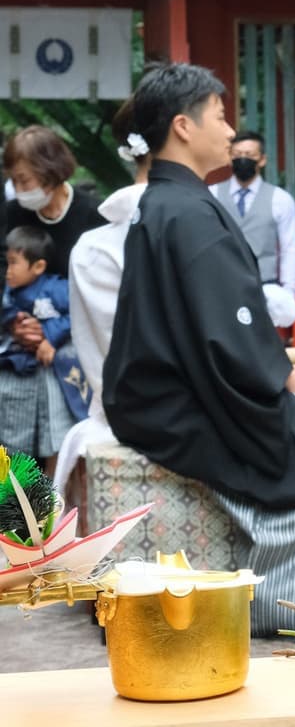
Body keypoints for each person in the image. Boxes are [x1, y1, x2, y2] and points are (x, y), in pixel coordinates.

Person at [104, 63, 295, 632]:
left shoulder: (170, 203)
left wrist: (273, 365)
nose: (229, 133)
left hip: (168, 391)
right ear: (183, 127)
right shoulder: (187, 211)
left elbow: (217, 319)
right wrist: (282, 374)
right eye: (219, 117)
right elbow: (227, 329)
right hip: (191, 401)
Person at [54, 103, 151, 495]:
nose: (229, 131)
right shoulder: (99, 245)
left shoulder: (93, 229)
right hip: (135, 399)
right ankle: (23, 523)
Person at [0, 226, 86, 455]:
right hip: (14, 373)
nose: (7, 271)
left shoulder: (56, 289)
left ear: (38, 266)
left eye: (13, 262)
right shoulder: (7, 293)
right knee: (12, 442)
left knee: (56, 438)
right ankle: (14, 490)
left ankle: (52, 488)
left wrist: (48, 335)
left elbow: (78, 312)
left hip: (52, 374)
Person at [209, 129, 295, 304]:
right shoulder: (211, 195)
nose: (242, 158)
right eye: (237, 154)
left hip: (265, 287)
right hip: (220, 285)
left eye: (249, 154)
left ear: (262, 159)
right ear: (230, 158)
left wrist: (289, 291)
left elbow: (290, 248)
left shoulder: (280, 199)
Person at [3, 125, 104, 277]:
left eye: (24, 180)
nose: (18, 190)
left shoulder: (96, 214)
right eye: (13, 181)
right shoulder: (10, 214)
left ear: (50, 172)